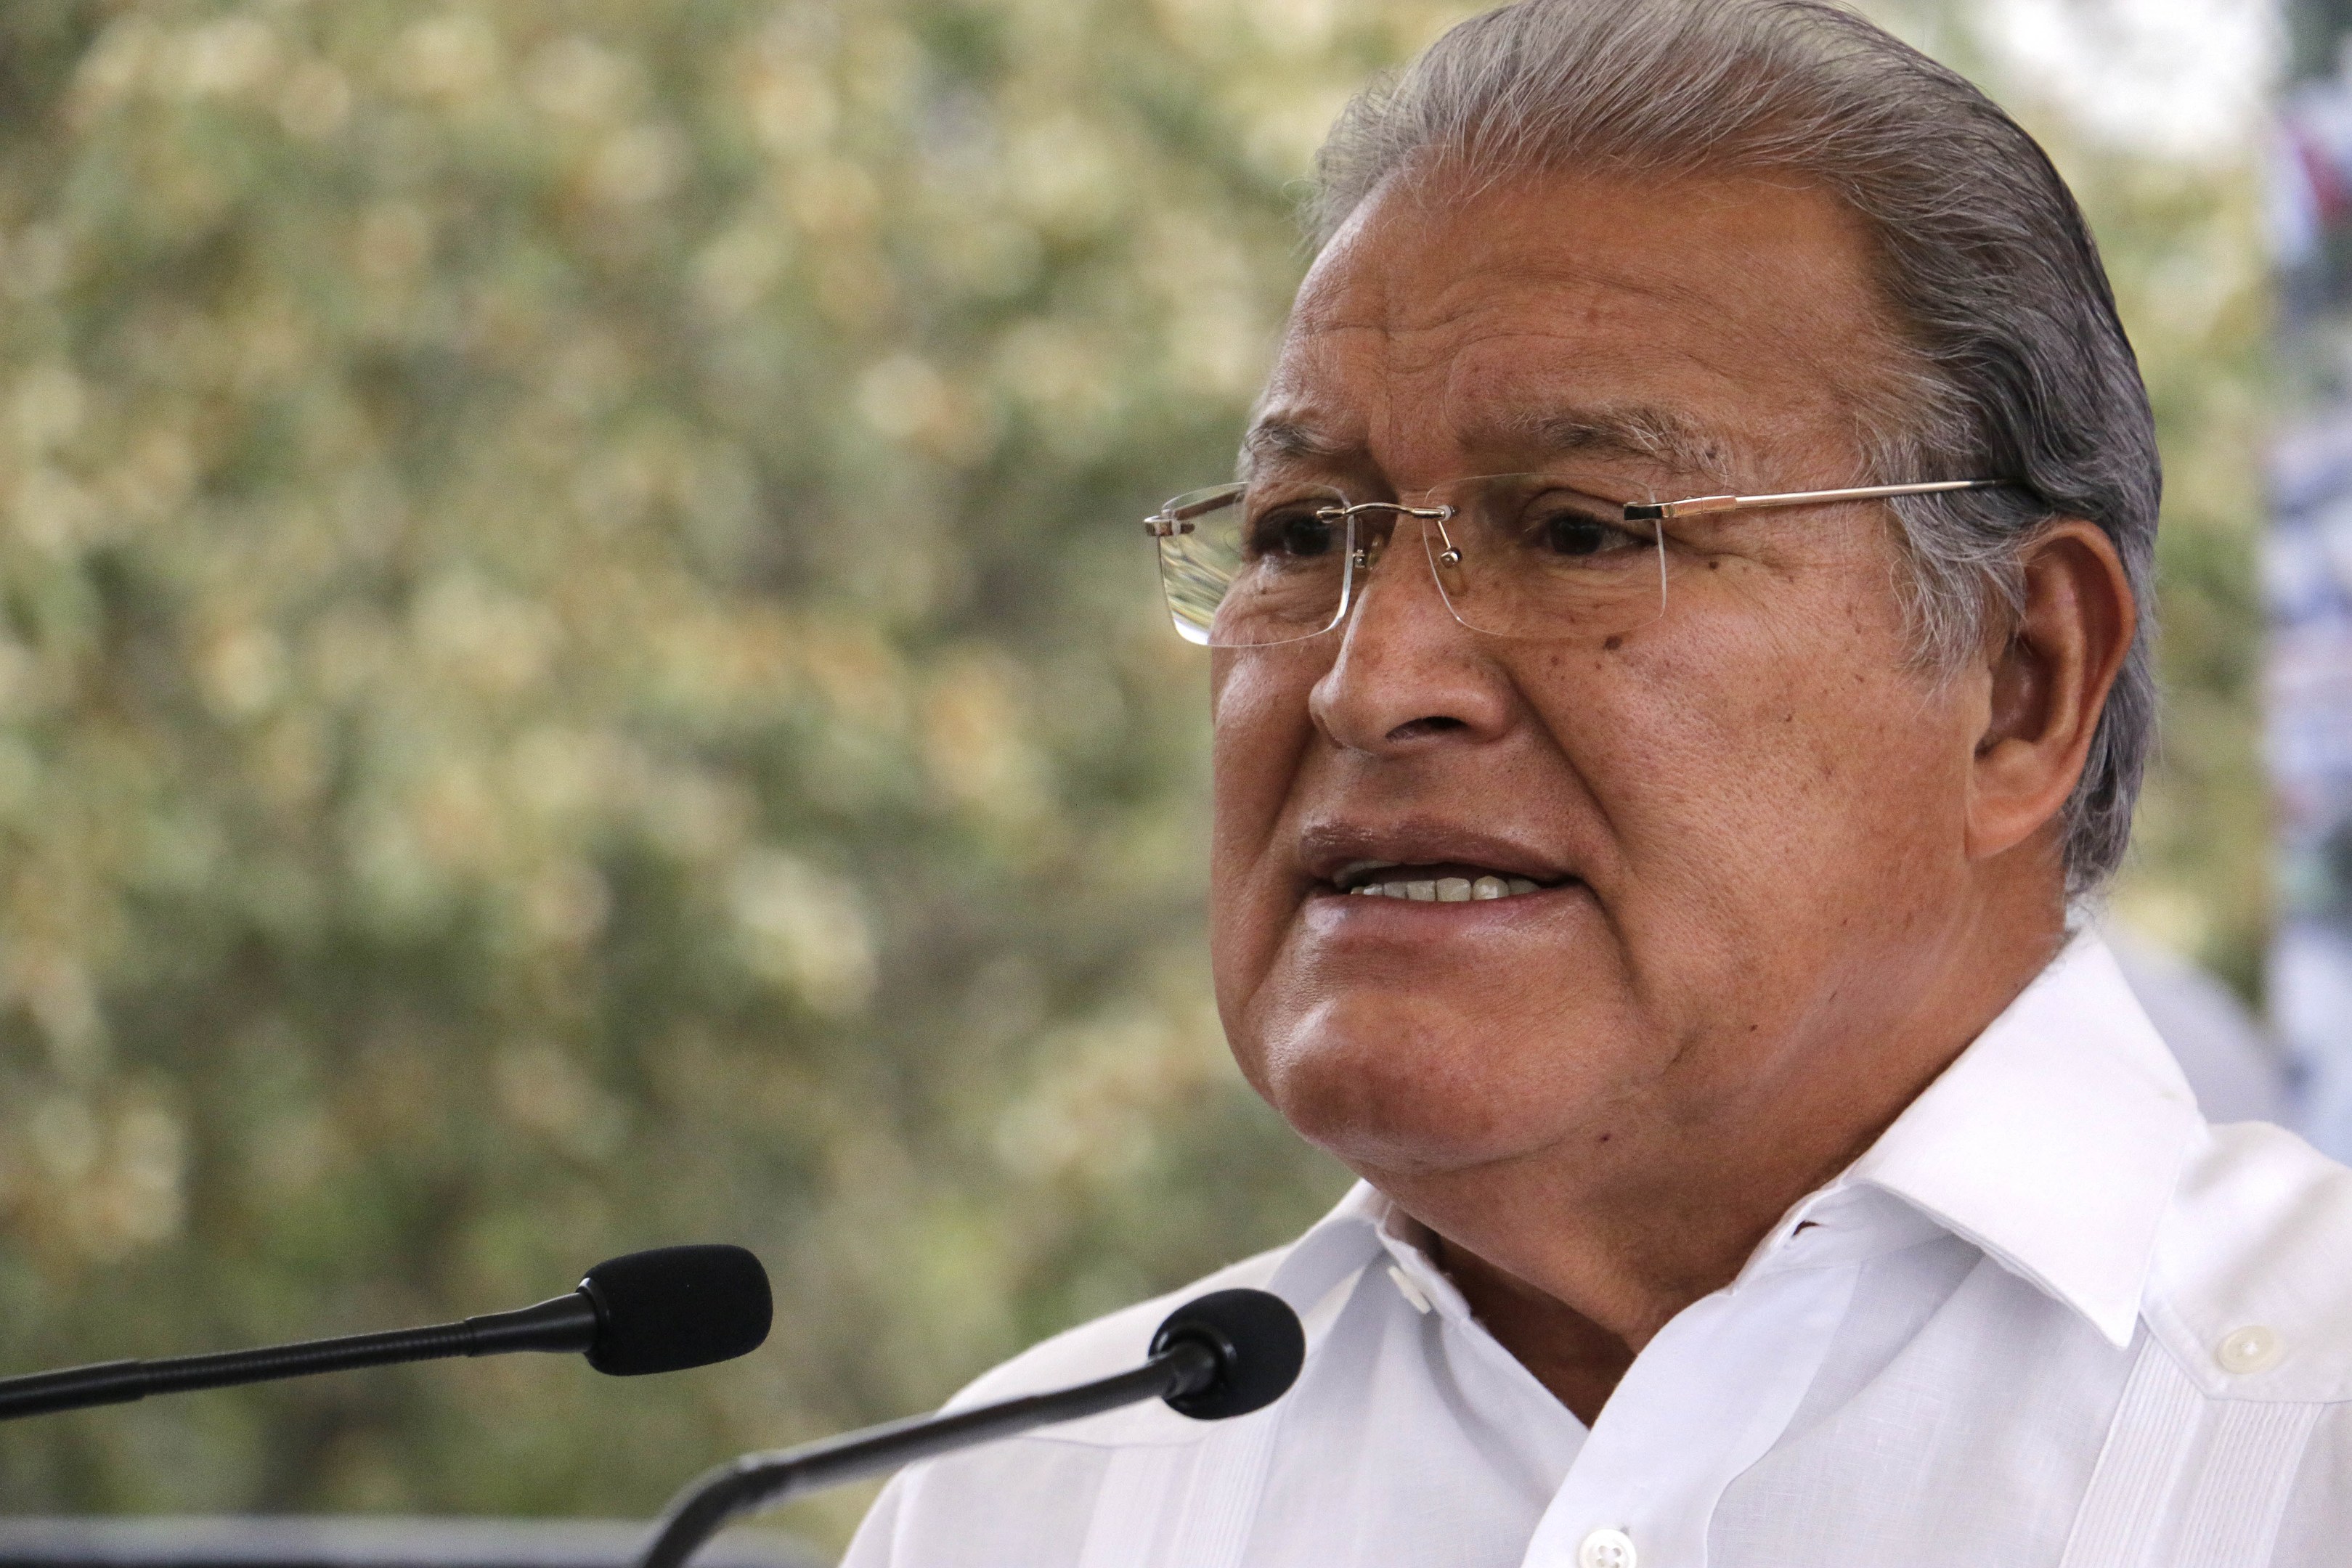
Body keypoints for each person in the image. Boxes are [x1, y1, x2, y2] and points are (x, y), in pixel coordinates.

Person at [845, 2, 2352, 1564]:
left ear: (2018, 685)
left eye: (1578, 531)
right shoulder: (1017, 1505)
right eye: (1302, 534)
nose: (1373, 684)